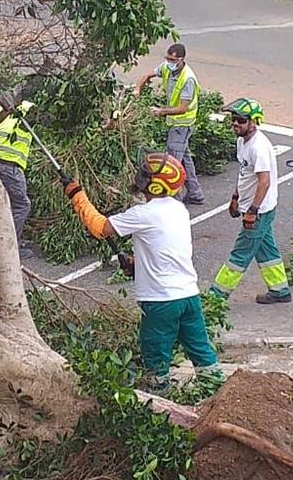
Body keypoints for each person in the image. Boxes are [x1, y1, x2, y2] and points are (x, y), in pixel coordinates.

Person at [64, 151, 219, 389]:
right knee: (201, 350)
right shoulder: (179, 210)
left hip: (161, 301)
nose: (140, 181)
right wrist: (137, 265)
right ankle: (217, 391)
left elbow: (99, 228)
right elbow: (166, 249)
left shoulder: (144, 214)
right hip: (189, 295)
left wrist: (78, 197)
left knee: (155, 357)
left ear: (155, 186)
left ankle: (161, 401)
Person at [209, 97, 292, 305]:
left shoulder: (259, 147)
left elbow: (264, 181)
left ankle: (215, 296)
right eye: (234, 119)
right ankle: (280, 290)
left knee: (240, 254)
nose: (235, 123)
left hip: (260, 210)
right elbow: (245, 173)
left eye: (241, 120)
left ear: (254, 122)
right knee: (266, 249)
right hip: (251, 207)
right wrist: (235, 197)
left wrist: (253, 211)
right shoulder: (241, 142)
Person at [135, 42, 206, 205]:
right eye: (167, 58)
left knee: (173, 164)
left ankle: (174, 202)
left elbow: (182, 108)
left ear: (181, 60)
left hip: (182, 124)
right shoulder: (167, 67)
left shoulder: (188, 78)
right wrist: (137, 89)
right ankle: (195, 193)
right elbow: (147, 75)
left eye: (173, 60)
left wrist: (161, 111)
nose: (169, 62)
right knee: (185, 158)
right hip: (175, 123)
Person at [0, 99, 40, 259]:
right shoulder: (31, 108)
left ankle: (6, 239)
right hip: (9, 163)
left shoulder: (4, 106)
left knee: (5, 201)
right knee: (22, 205)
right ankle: (11, 246)